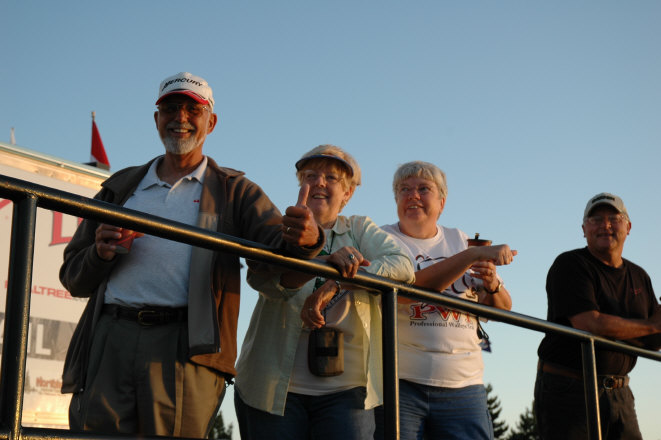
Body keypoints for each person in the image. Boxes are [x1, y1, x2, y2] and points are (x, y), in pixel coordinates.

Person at [59, 72, 324, 437]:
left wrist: (308, 238)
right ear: (156, 119)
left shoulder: (235, 191)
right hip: (109, 339)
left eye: (192, 109)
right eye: (170, 108)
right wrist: (99, 254)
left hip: (186, 347)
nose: (180, 117)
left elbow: (278, 252)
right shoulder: (120, 187)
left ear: (210, 122)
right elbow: (72, 277)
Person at [233, 144, 415, 440]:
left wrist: (337, 282)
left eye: (331, 178)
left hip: (347, 395)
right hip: (272, 390)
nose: (319, 182)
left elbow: (403, 265)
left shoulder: (359, 228)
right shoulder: (281, 227)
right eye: (310, 176)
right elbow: (264, 283)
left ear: (348, 193)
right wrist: (325, 262)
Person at [376, 160, 517, 440]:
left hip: (464, 386)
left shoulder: (460, 239)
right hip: (400, 382)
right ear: (396, 200)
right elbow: (404, 292)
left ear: (442, 202)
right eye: (404, 189)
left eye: (423, 189)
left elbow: (502, 309)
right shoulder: (382, 240)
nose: (413, 195)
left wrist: (492, 284)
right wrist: (472, 256)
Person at [534, 192, 661, 440]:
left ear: (628, 227)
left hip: (620, 391)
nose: (605, 225)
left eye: (614, 218)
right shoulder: (570, 264)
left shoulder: (639, 276)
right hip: (569, 390)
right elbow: (589, 324)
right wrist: (652, 326)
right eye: (596, 220)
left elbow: (653, 340)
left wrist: (656, 328)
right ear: (584, 229)